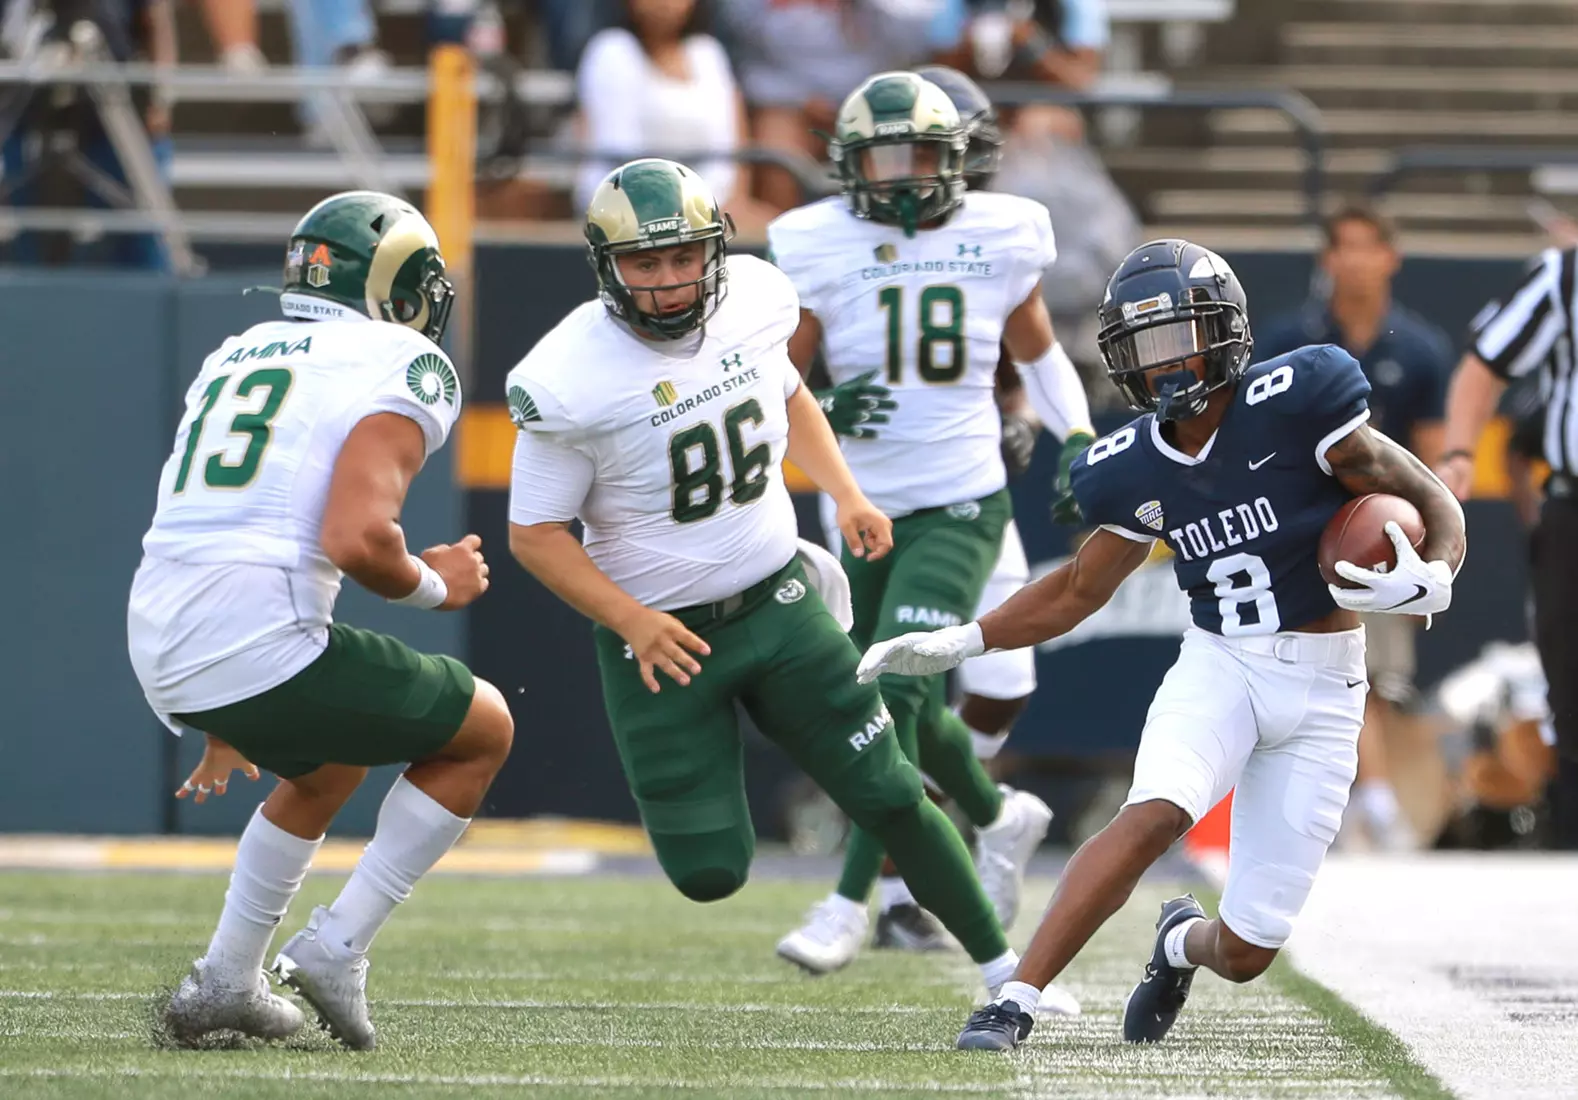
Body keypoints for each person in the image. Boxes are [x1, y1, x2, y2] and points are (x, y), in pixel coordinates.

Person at [858, 238, 1467, 1050]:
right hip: (1223, 664)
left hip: (1327, 688)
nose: (1167, 365)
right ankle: (1014, 1000)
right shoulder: (1131, 466)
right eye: (1145, 348)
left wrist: (1439, 569)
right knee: (1151, 815)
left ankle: (1179, 941)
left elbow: (1428, 494)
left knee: (1247, 951)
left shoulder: (1299, 399)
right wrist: (961, 640)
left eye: (1181, 336)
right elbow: (1077, 590)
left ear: (1224, 331)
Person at [505, 157, 1023, 1005]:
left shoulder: (752, 299)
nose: (669, 282)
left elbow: (789, 398)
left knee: (891, 791)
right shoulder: (568, 378)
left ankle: (1009, 975)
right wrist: (632, 620)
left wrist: (846, 492)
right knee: (709, 870)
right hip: (664, 643)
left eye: (683, 258)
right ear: (607, 266)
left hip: (781, 604)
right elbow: (534, 536)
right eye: (645, 262)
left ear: (714, 251)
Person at [127, 191, 514, 1051]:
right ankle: (338, 947)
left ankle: (225, 979)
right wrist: (433, 586)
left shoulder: (241, 347)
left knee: (330, 765)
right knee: (485, 728)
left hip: (162, 630)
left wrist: (222, 702)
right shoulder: (402, 363)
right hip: (252, 640)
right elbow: (358, 538)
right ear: (398, 288)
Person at [767, 70, 1093, 980]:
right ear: (849, 166)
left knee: (896, 689)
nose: (905, 178)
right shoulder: (817, 243)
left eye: (922, 157)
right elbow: (778, 387)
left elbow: (1039, 351)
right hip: (861, 508)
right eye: (885, 159)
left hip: (961, 495)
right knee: (891, 692)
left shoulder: (998, 234)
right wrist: (830, 398)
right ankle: (996, 814)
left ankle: (852, 898)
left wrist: (1076, 435)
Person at [1257, 203, 1455, 850]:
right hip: (1304, 523)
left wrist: (1423, 539)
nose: (1358, 261)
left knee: (1370, 678)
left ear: (1391, 257)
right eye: (1345, 247)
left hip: (1381, 531)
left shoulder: (1422, 350)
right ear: (1327, 259)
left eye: (1371, 246)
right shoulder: (1293, 338)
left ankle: (1364, 802)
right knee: (1305, 670)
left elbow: (1430, 464)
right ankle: (1361, 802)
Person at [1437, 244, 1578, 851]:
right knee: (1570, 691)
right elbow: (1485, 361)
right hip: (1574, 506)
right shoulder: (1564, 275)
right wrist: (1460, 452)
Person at [574, 0, 776, 234]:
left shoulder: (708, 52)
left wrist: (720, 206)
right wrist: (686, 215)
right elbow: (620, 158)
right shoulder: (610, 51)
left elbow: (730, 151)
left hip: (710, 207)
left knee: (771, 231)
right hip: (627, 209)